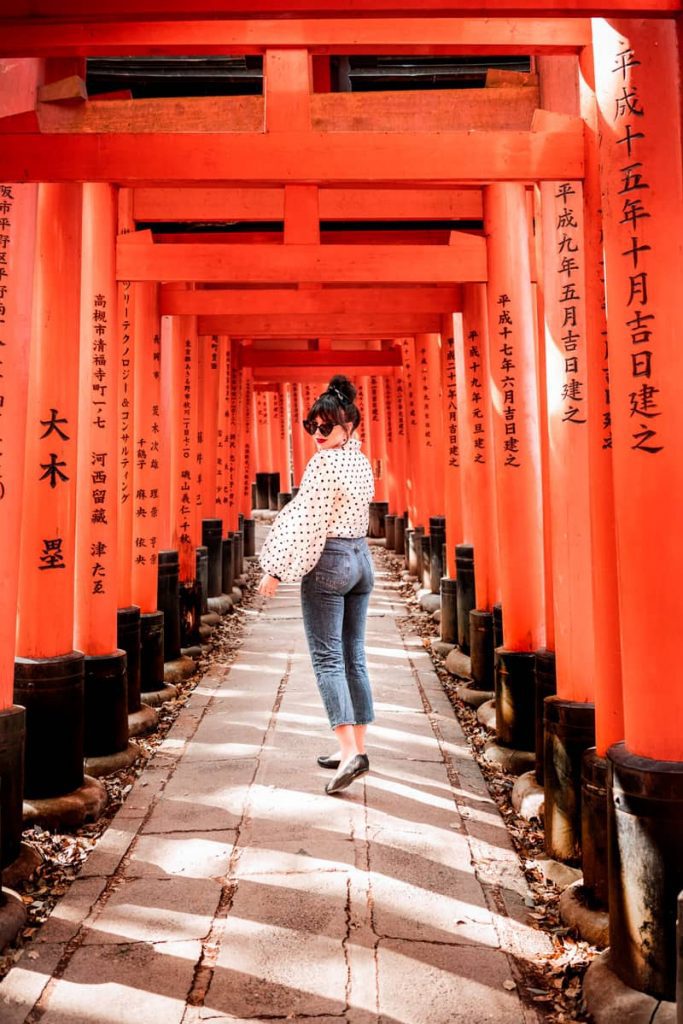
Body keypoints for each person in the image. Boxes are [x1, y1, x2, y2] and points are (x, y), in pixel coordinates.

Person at [258, 375, 376, 796]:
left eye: (328, 428)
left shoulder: (324, 465)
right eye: (313, 426)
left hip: (331, 562)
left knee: (328, 657)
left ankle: (349, 752)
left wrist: (275, 569)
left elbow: (305, 522)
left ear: (349, 427)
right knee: (353, 655)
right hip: (361, 560)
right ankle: (356, 746)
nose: (318, 435)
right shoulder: (359, 458)